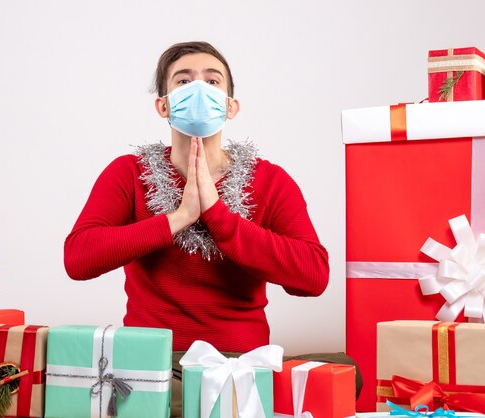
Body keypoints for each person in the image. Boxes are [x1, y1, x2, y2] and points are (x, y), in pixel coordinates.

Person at [64, 41, 359, 417]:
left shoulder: (270, 181)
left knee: (347, 374)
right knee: (155, 396)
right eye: (183, 82)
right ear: (163, 105)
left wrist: (217, 215)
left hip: (241, 362)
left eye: (212, 81)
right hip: (157, 365)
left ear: (231, 106)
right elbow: (78, 257)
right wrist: (178, 217)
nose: (198, 90)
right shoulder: (129, 172)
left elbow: (313, 275)